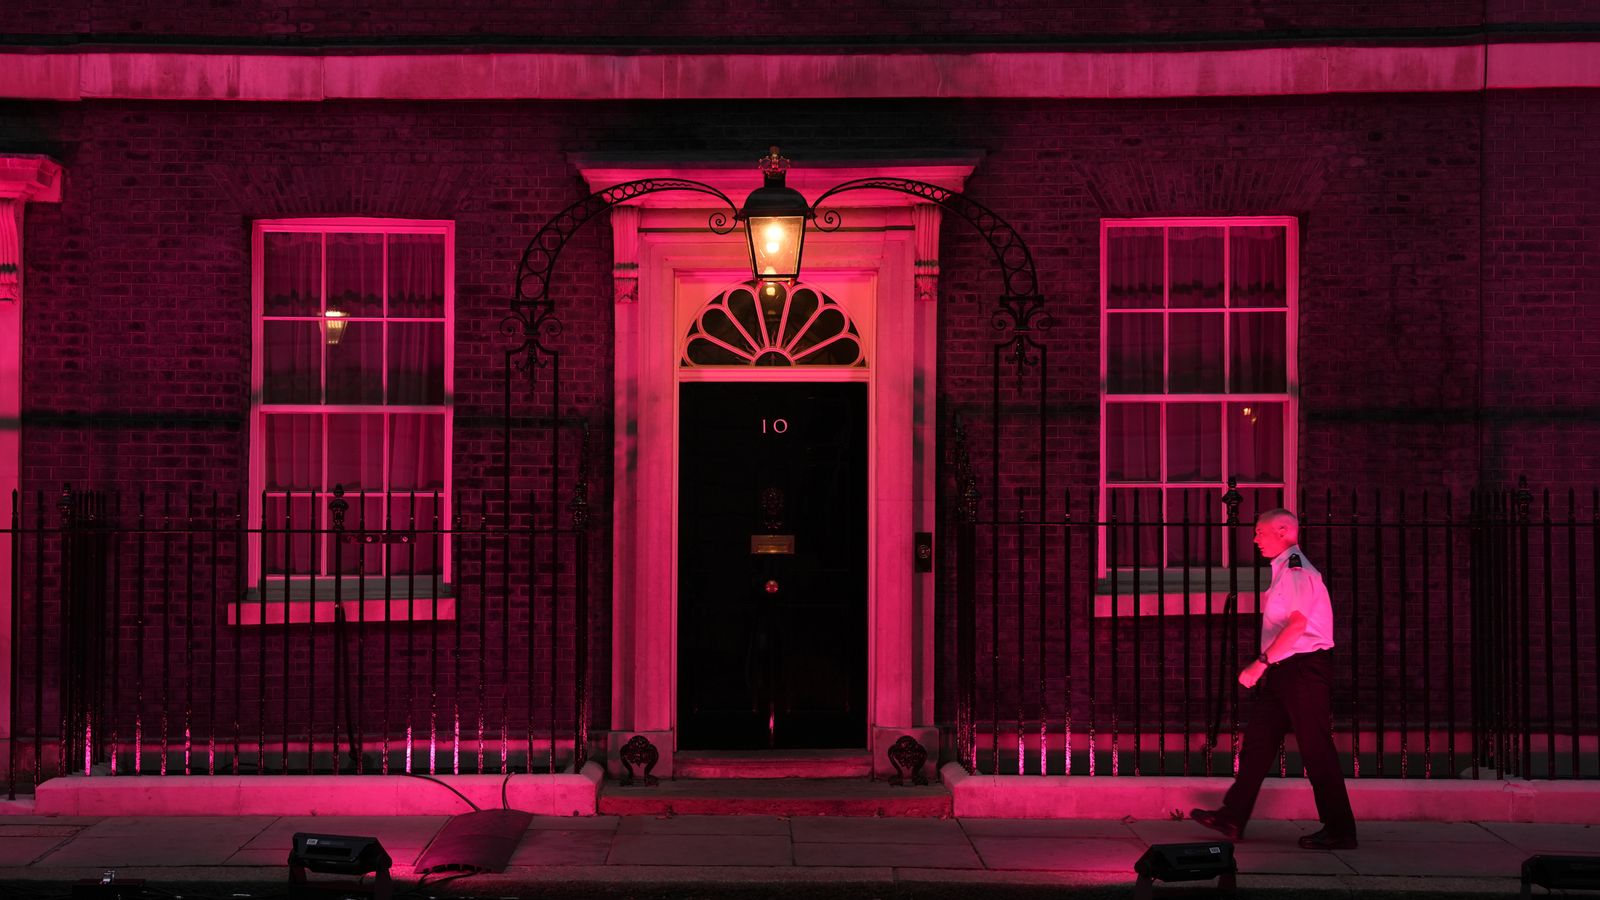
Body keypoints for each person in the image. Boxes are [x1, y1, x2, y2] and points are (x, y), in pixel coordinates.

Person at [1190, 508, 1358, 850]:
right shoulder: (1285, 569)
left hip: (1302, 669)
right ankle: (1233, 815)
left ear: (1282, 530)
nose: (1254, 538)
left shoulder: (1296, 572)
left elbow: (1297, 625)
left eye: (1259, 532)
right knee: (1258, 742)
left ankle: (1340, 829)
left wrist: (1260, 663)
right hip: (1288, 671)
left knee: (1316, 749)